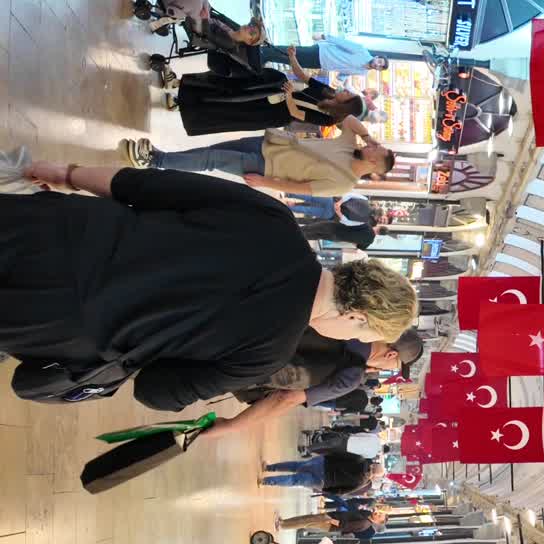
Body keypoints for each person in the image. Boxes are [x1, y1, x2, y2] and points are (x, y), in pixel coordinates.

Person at [2, 163, 415, 410]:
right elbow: (156, 392)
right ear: (357, 315)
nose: (353, 339)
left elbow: (144, 185)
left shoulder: (273, 219)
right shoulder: (265, 355)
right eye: (363, 334)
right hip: (57, 317)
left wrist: (65, 173)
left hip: (60, 228)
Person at [203, 329, 422, 440]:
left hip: (234, 333)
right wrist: (233, 425)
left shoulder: (350, 323)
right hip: (234, 371)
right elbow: (285, 398)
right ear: (391, 353)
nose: (389, 369)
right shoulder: (351, 376)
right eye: (395, 365)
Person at [125, 121, 394, 197]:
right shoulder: (351, 146)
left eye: (376, 150)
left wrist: (266, 182)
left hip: (266, 166)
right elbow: (347, 119)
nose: (372, 146)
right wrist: (369, 137)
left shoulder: (343, 184)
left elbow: (301, 188)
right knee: (210, 151)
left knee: (210, 159)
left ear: (373, 164)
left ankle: (155, 160)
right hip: (269, 143)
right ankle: (162, 158)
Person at [170, 69, 367, 136]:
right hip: (270, 93)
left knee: (228, 110)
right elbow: (304, 77)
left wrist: (289, 94)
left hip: (271, 112)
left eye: (349, 95)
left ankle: (183, 104)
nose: (347, 91)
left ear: (347, 104)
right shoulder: (329, 92)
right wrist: (292, 56)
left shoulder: (329, 119)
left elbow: (297, 114)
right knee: (229, 92)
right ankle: (184, 90)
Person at [261, 34, 390, 74]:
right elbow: (342, 42)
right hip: (321, 52)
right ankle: (264, 51)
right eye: (379, 62)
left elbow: (346, 71)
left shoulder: (363, 72)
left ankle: (267, 56)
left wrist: (341, 81)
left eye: (380, 66)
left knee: (292, 61)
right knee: (292, 52)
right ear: (377, 57)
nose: (377, 65)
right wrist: (323, 36)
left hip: (321, 64)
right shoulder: (362, 51)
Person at [261, 454, 380, 497]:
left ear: (373, 464)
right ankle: (265, 481)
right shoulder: (360, 482)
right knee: (294, 480)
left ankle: (269, 467)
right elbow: (341, 491)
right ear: (374, 476)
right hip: (323, 481)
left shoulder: (360, 459)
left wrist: (325, 457)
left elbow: (341, 454)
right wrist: (325, 490)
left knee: (297, 465)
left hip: (323, 464)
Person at [277, 508, 388, 541]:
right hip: (333, 517)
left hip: (331, 523)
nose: (377, 513)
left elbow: (345, 526)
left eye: (379, 516)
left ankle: (282, 525)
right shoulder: (366, 516)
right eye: (379, 513)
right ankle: (284, 522)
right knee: (306, 519)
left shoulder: (365, 523)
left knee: (305, 522)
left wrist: (330, 520)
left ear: (378, 522)